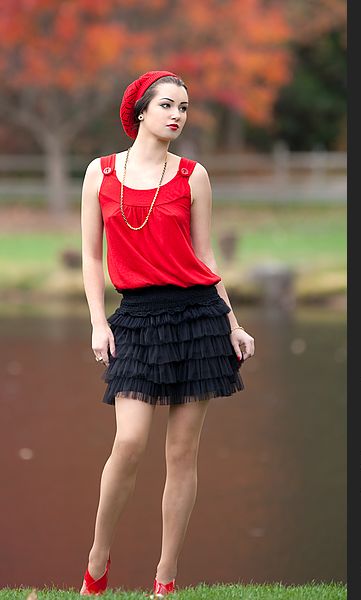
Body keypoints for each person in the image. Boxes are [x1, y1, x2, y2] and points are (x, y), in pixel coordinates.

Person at [79, 70, 255, 597]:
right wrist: (96, 322)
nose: (178, 115)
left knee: (182, 455)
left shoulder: (193, 176)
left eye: (184, 107)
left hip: (197, 317)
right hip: (134, 318)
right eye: (168, 105)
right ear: (140, 112)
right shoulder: (101, 173)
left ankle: (165, 580)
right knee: (129, 442)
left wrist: (232, 322)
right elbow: (91, 255)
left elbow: (205, 258)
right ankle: (97, 560)